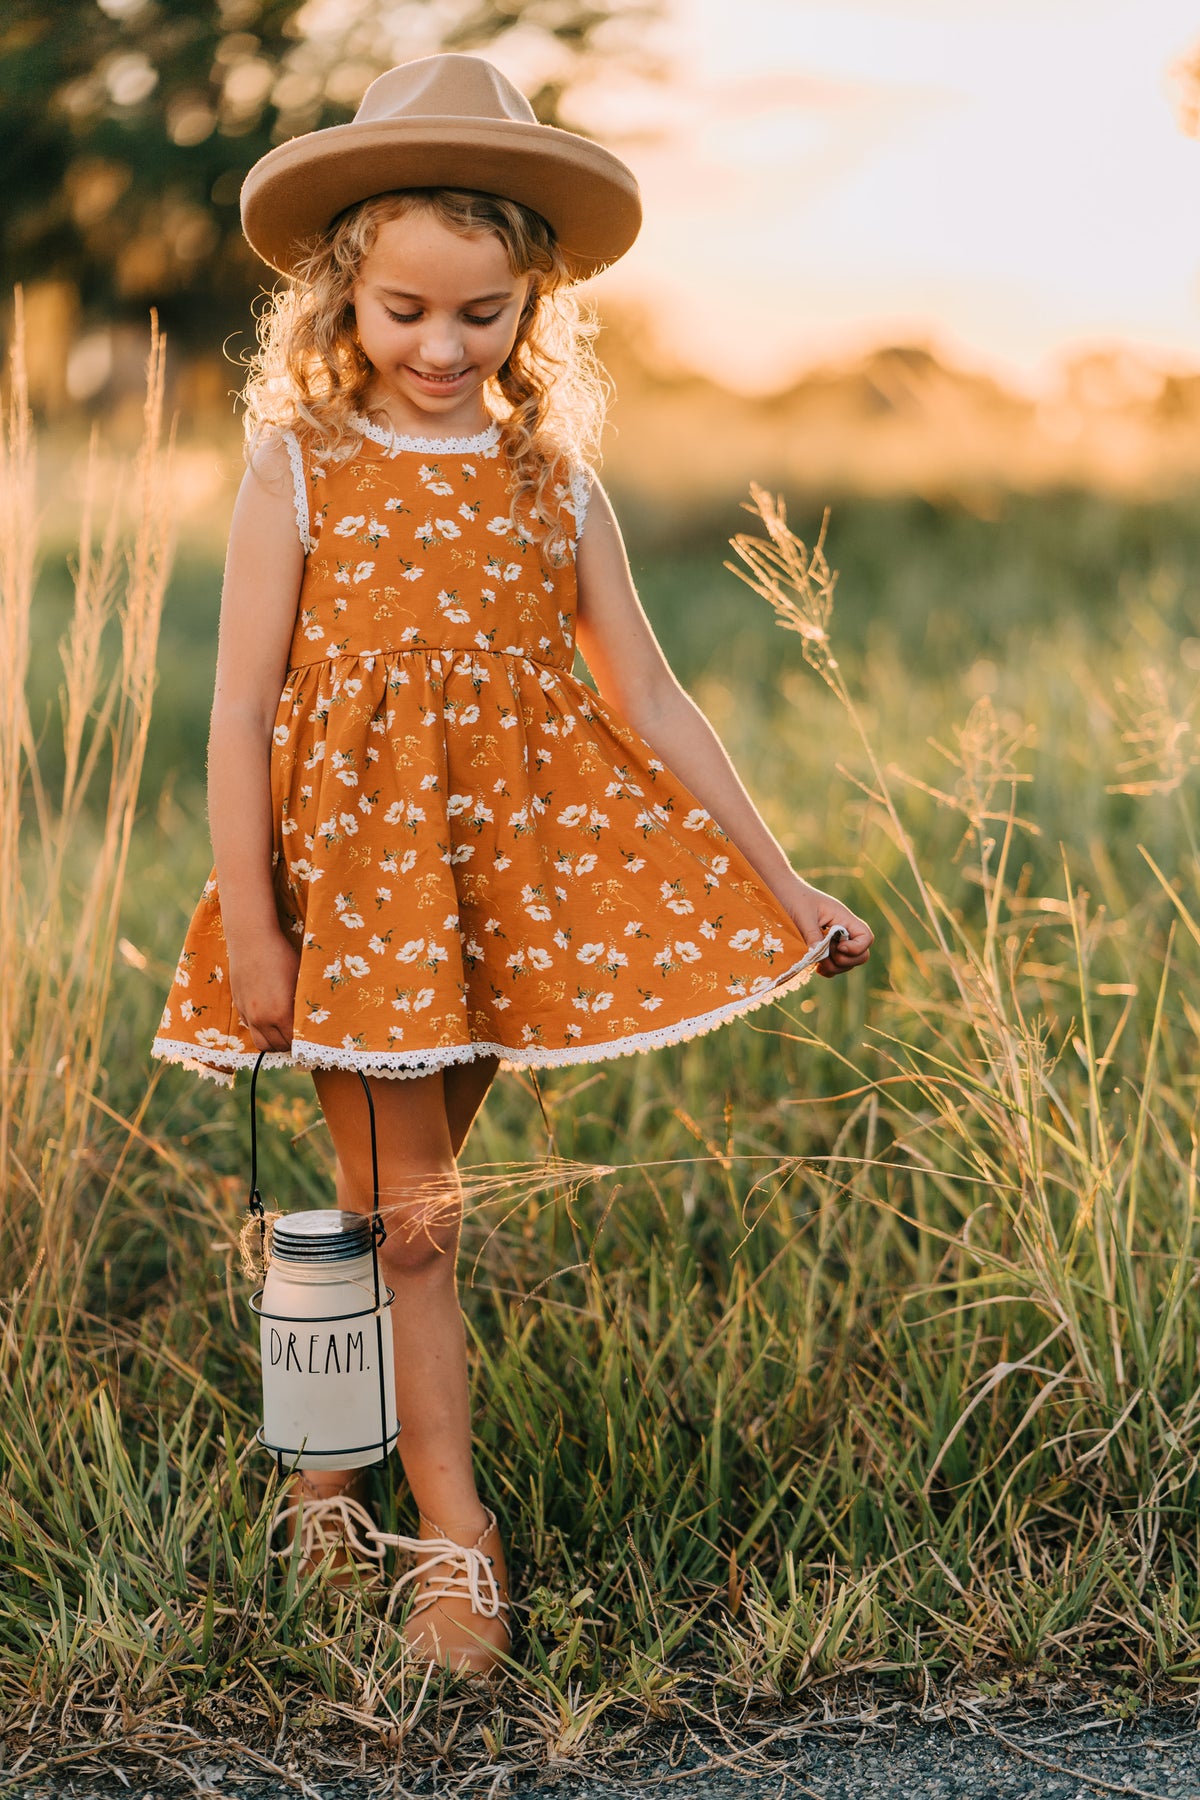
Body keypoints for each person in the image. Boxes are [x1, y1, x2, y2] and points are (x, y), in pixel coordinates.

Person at [152, 52, 874, 1677]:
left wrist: (785, 884)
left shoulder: (555, 480)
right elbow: (235, 707)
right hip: (348, 902)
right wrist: (257, 930)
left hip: (492, 905)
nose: (440, 346)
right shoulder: (300, 467)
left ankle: (326, 1493)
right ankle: (451, 1546)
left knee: (378, 1209)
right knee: (416, 1225)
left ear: (530, 306)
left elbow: (654, 698)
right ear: (344, 294)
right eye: (407, 309)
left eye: (480, 315)